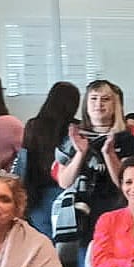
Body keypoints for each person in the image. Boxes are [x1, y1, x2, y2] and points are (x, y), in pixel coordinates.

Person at [54, 80, 134, 267]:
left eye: (105, 99)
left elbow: (127, 184)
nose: (98, 104)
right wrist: (81, 153)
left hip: (117, 209)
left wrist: (109, 154)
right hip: (83, 214)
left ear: (115, 105)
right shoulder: (74, 136)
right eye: (93, 99)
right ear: (86, 104)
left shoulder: (127, 138)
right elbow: (64, 182)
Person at [18, 81, 80, 238]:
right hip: (68, 191)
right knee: (69, 240)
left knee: (44, 241)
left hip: (39, 193)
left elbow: (26, 162)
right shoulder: (76, 128)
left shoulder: (33, 126)